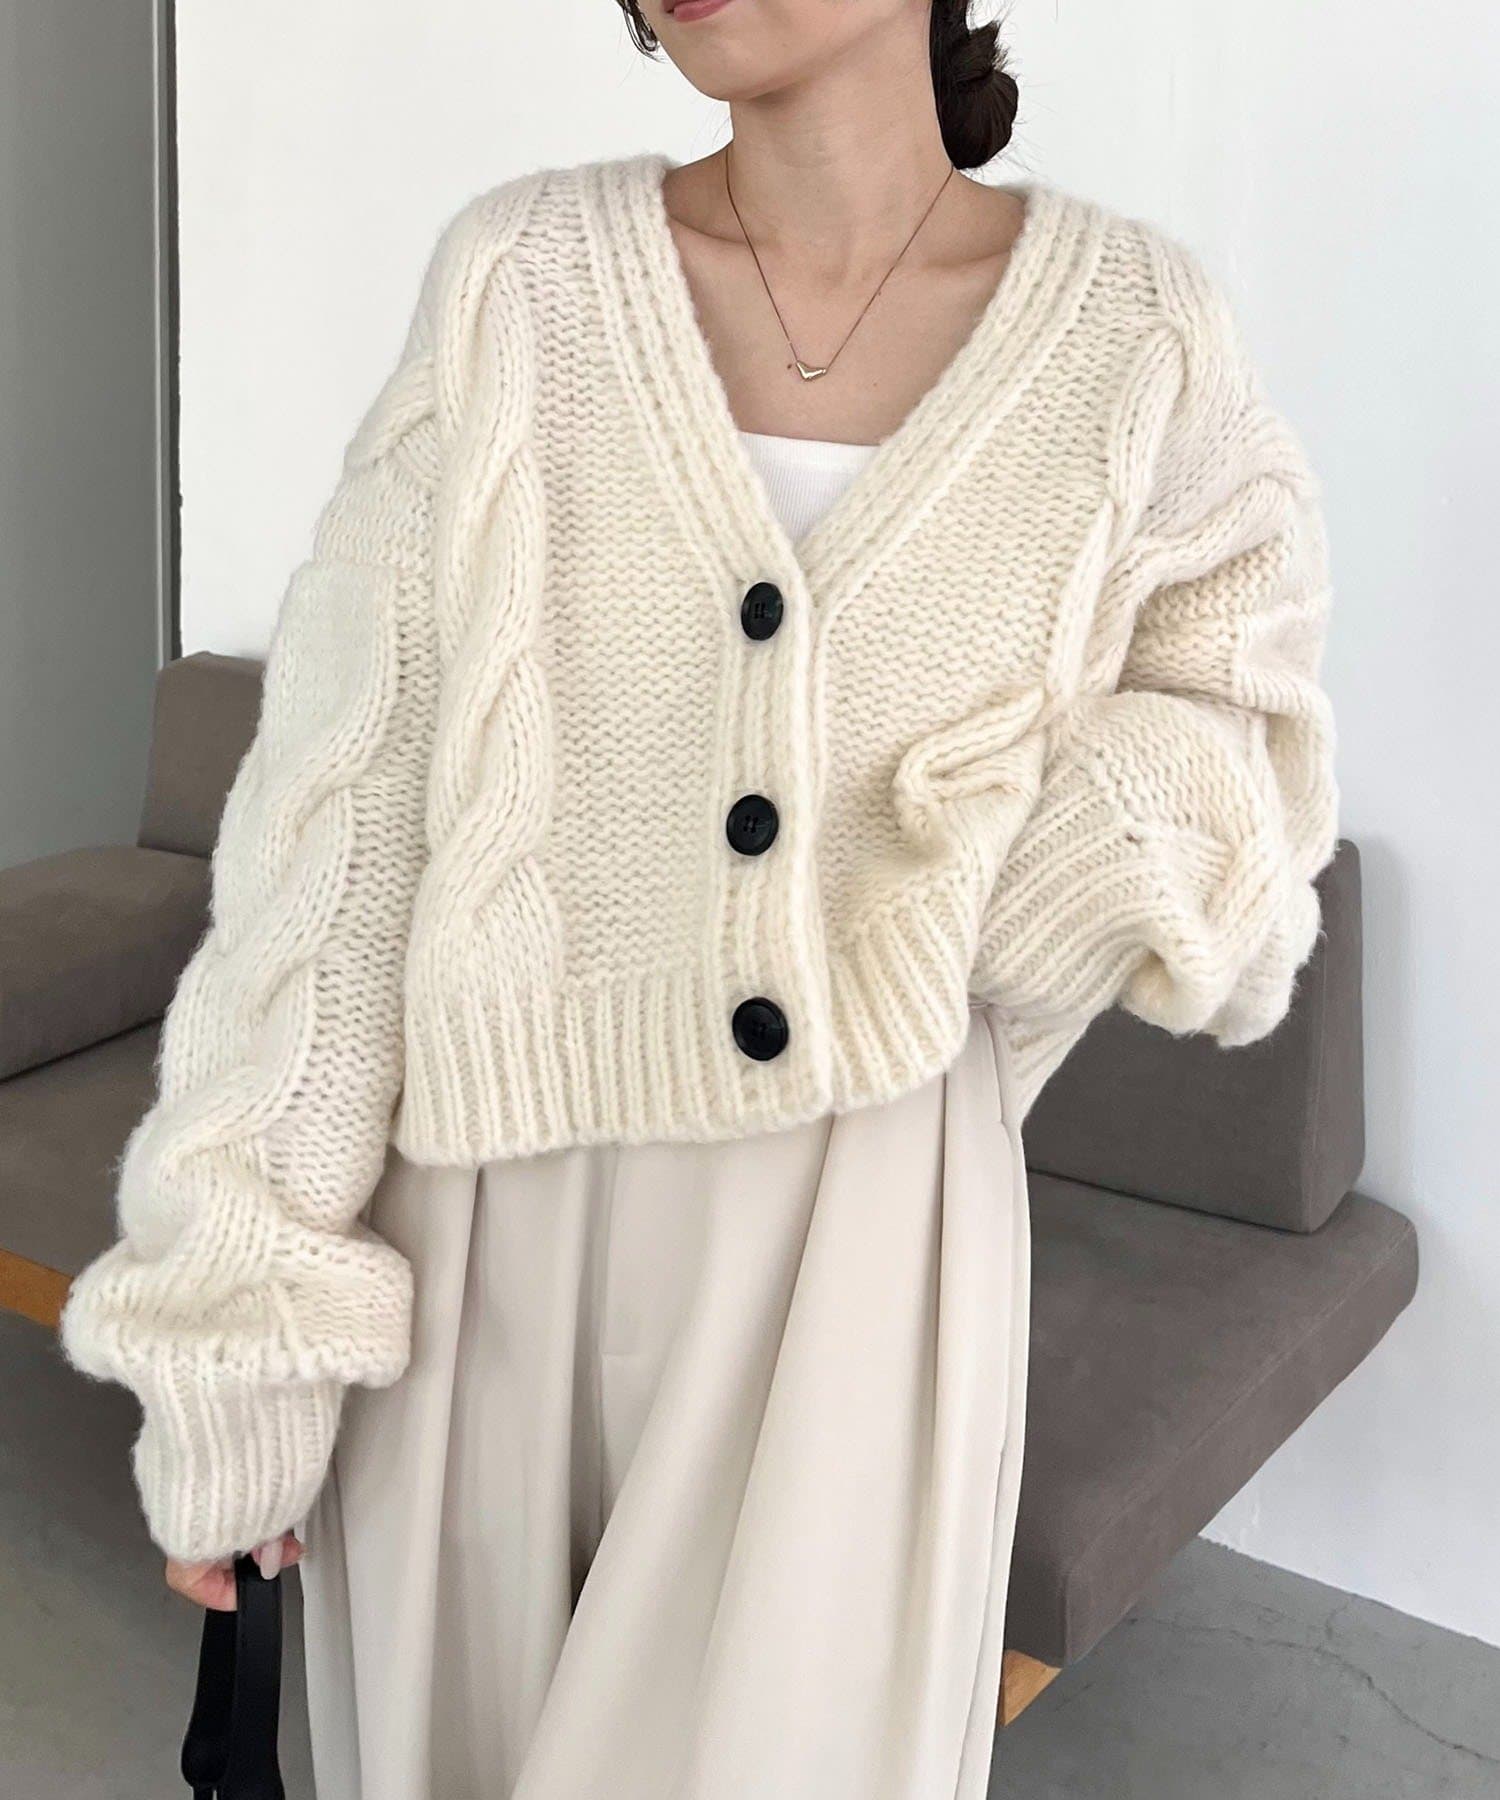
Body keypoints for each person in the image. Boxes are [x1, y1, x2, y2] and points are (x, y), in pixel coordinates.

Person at [60, 1, 1339, 1794]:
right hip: (481, 1223)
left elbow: (1242, 761)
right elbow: (334, 836)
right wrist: (242, 1322)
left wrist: (1033, 872)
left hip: (868, 1242)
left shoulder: (1140, 336)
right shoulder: (521, 283)